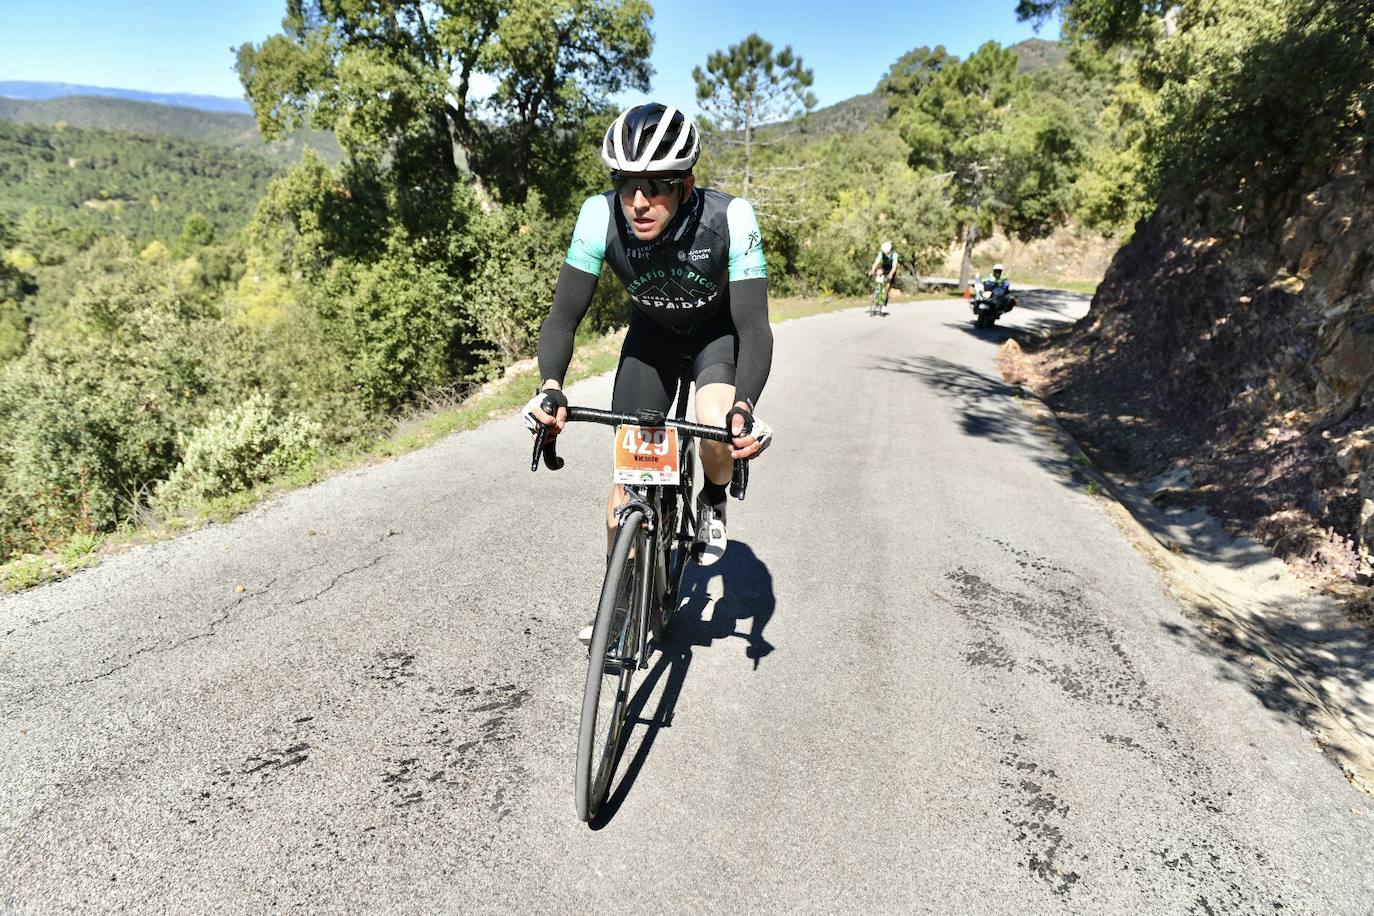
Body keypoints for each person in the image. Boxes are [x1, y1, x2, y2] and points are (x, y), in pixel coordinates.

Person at [523, 103, 774, 628]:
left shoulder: (730, 218)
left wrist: (745, 409)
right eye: (626, 182)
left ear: (687, 183)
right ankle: (622, 602)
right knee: (624, 486)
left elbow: (753, 329)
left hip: (716, 337)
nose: (639, 202)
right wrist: (550, 387)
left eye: (657, 185)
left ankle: (712, 497)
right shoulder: (599, 215)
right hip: (651, 340)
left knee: (714, 427)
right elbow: (563, 317)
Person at [868, 241, 898, 315]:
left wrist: (890, 274)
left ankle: (884, 304)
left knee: (887, 288)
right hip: (884, 268)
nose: (885, 253)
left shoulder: (894, 255)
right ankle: (878, 290)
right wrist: (872, 270)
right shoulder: (881, 254)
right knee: (879, 272)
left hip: (891, 270)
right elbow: (876, 263)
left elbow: (894, 267)